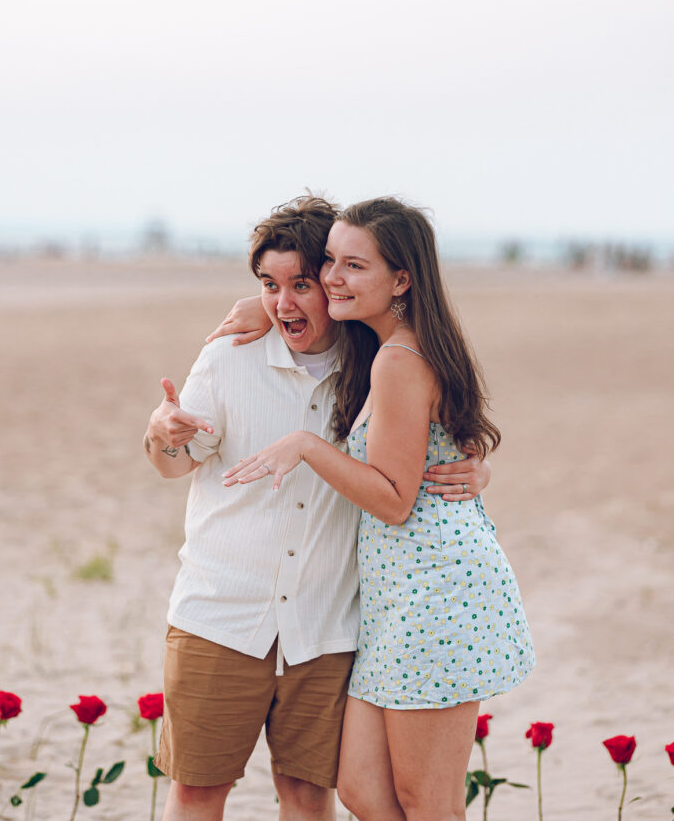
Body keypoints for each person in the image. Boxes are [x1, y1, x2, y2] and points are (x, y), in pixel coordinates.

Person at [143, 195, 492, 821]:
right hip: (222, 615)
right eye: (269, 286)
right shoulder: (229, 355)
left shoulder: (372, 358)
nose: (285, 302)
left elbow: (429, 447)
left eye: (305, 281)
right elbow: (176, 461)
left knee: (315, 795)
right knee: (201, 791)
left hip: (332, 623)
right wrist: (161, 432)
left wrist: (476, 467)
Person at [223, 197, 535, 821]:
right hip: (395, 600)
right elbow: (449, 450)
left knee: (428, 802)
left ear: (401, 279)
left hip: (434, 592)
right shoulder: (387, 349)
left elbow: (394, 502)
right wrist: (262, 307)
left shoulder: (399, 360)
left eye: (353, 266)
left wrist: (307, 446)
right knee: (362, 788)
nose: (334, 278)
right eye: (330, 262)